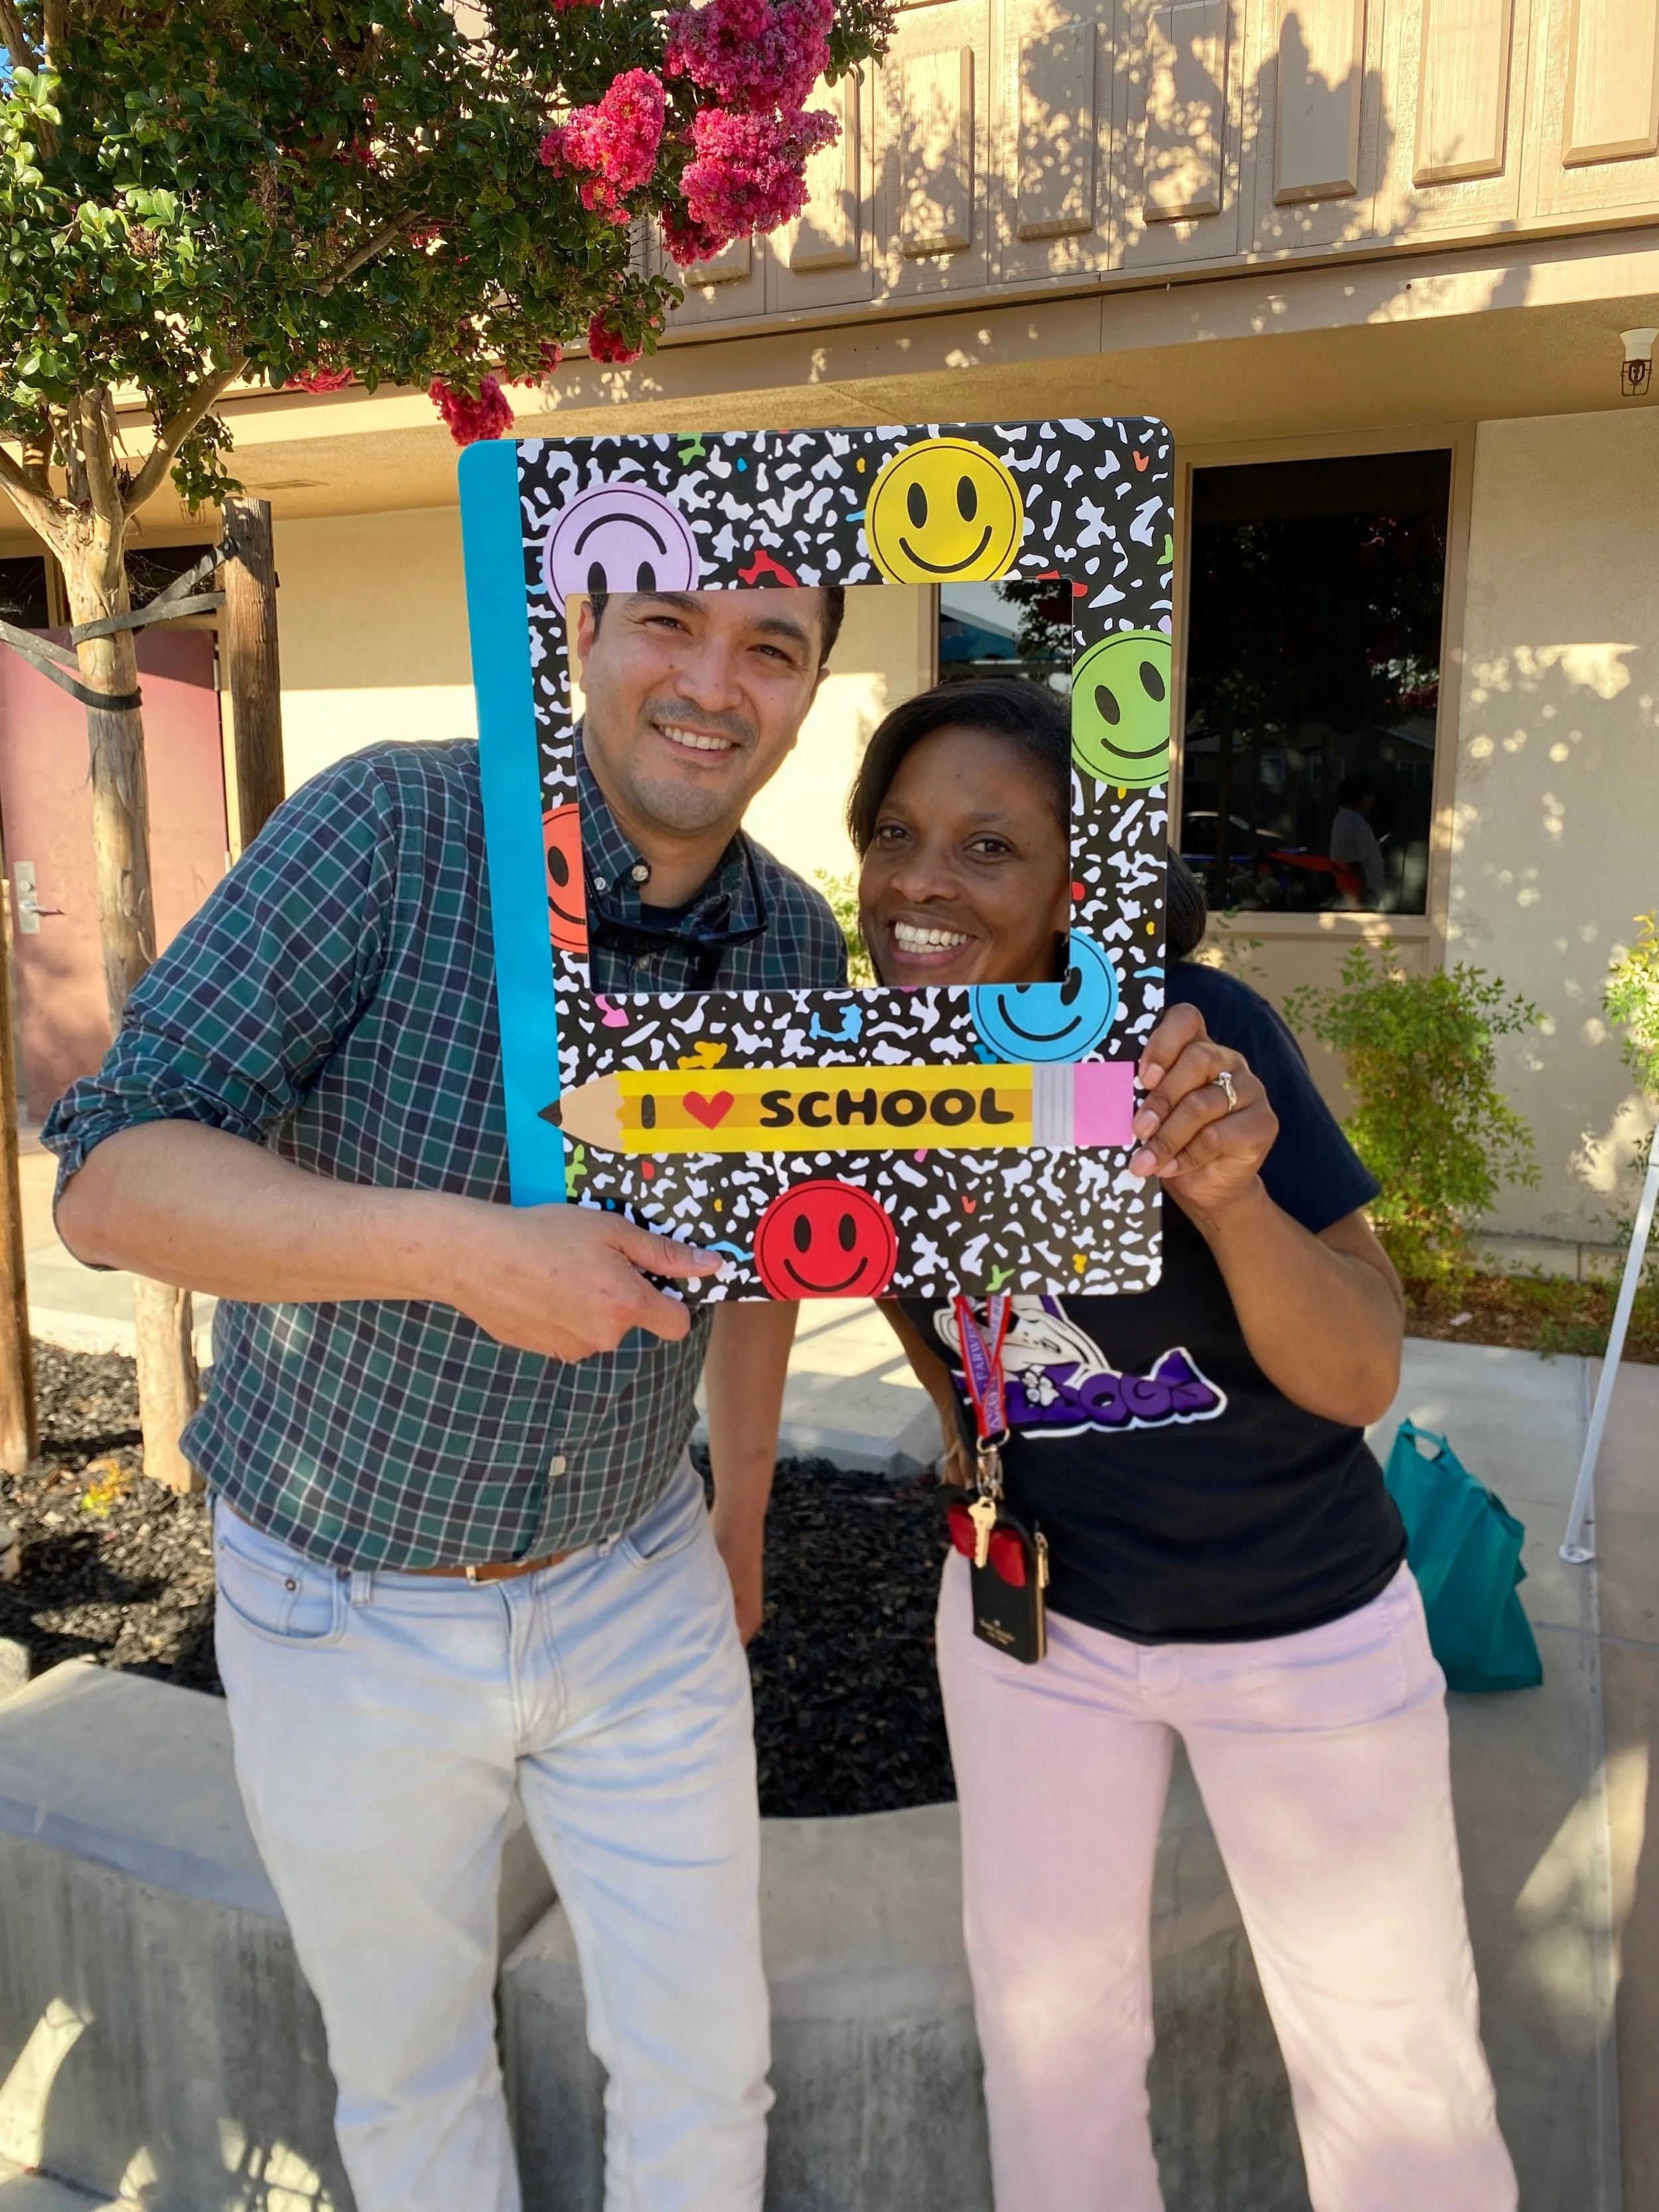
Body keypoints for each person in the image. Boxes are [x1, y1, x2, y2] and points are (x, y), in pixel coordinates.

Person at [42, 583, 849, 2212]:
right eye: (671, 625)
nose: (713, 683)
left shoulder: (789, 940)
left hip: (641, 1585)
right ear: (585, 633)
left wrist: (741, 1518)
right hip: (345, 1603)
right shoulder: (401, 826)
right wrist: (458, 1250)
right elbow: (113, 1179)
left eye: (772, 647)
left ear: (814, 686)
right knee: (409, 2079)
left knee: (706, 2065)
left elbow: (762, 1265)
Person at [851, 679, 1516, 2212]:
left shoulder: (1199, 1040)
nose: (920, 881)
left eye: (988, 845)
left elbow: (1358, 1367)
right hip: (1038, 1637)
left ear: (1080, 885)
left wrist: (1226, 1198)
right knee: (1050, 2055)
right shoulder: (874, 1068)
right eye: (897, 832)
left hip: (1304, 1634)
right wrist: (973, 1443)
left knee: (1392, 2069)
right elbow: (891, 1276)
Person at [1329, 773, 1386, 906]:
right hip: (1361, 898)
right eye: (1370, 797)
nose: (1372, 802)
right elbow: (1352, 862)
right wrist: (1365, 893)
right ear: (1363, 797)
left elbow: (1358, 853)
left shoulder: (1354, 820)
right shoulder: (1350, 823)